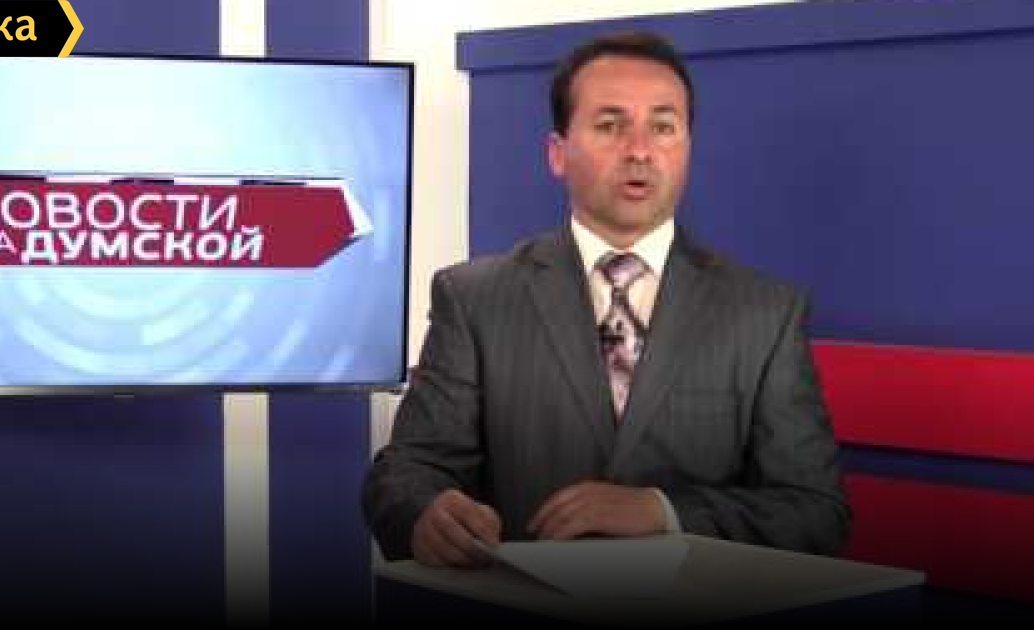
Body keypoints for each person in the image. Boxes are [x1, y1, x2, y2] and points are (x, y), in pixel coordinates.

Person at [362, 30, 850, 567]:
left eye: (663, 127)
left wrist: (665, 512)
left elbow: (815, 512)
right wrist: (425, 513)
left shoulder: (765, 314)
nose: (640, 150)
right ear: (557, 154)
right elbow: (405, 474)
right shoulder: (475, 299)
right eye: (610, 125)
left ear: (687, 147)